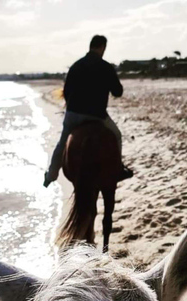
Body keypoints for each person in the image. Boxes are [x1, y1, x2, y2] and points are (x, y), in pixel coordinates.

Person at [43, 35, 133, 188]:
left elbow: (66, 91)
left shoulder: (76, 66)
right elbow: (117, 92)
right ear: (102, 47)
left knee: (62, 143)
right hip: (96, 116)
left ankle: (51, 175)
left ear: (90, 46)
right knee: (117, 135)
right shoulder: (105, 66)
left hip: (73, 115)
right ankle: (118, 169)